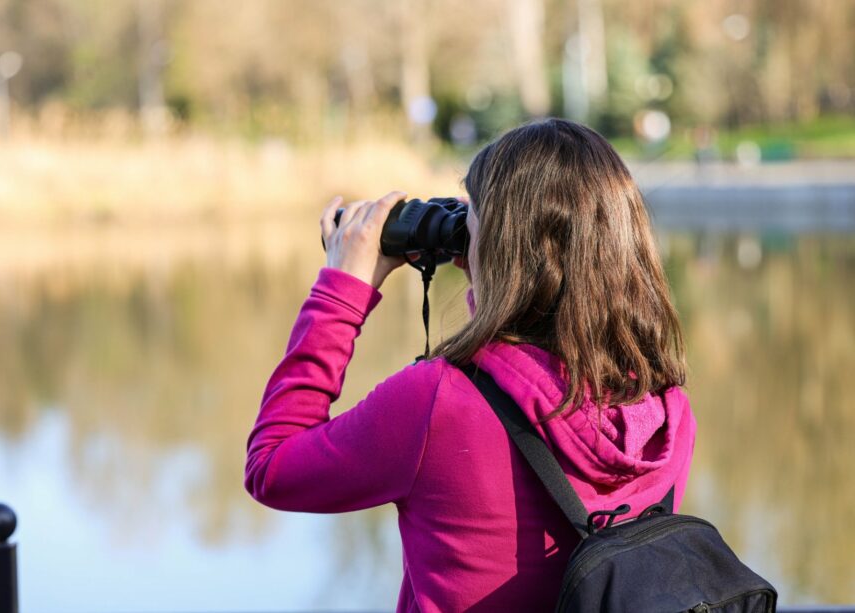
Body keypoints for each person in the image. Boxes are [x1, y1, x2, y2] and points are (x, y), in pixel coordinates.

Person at [245, 118, 696, 611]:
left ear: (501, 248)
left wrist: (341, 290)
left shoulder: (437, 404)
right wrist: (494, 279)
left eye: (472, 223)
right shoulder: (667, 411)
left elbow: (272, 465)